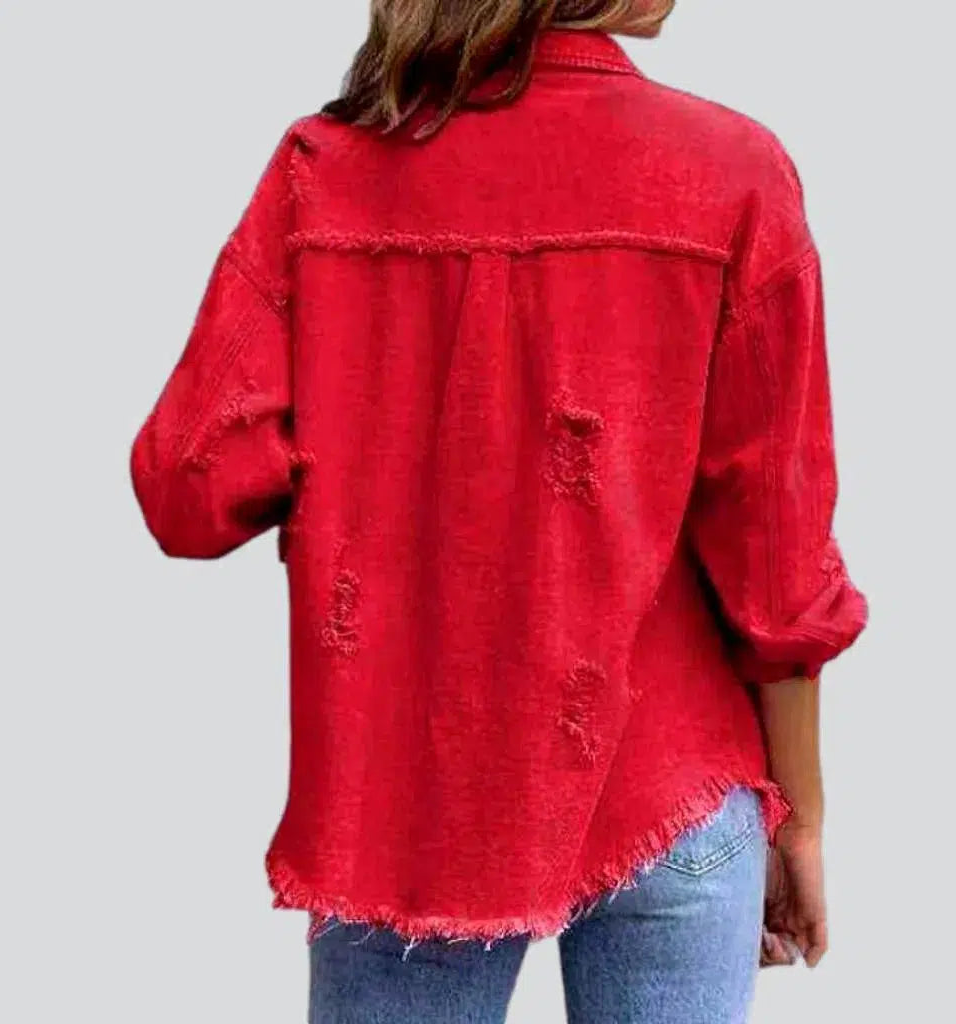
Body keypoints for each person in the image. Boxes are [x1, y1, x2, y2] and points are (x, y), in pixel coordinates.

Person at [129, 1, 868, 1020]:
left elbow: (188, 487)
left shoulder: (327, 172)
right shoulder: (731, 171)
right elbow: (778, 559)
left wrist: (373, 434)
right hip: (674, 782)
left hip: (407, 809)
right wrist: (801, 819)